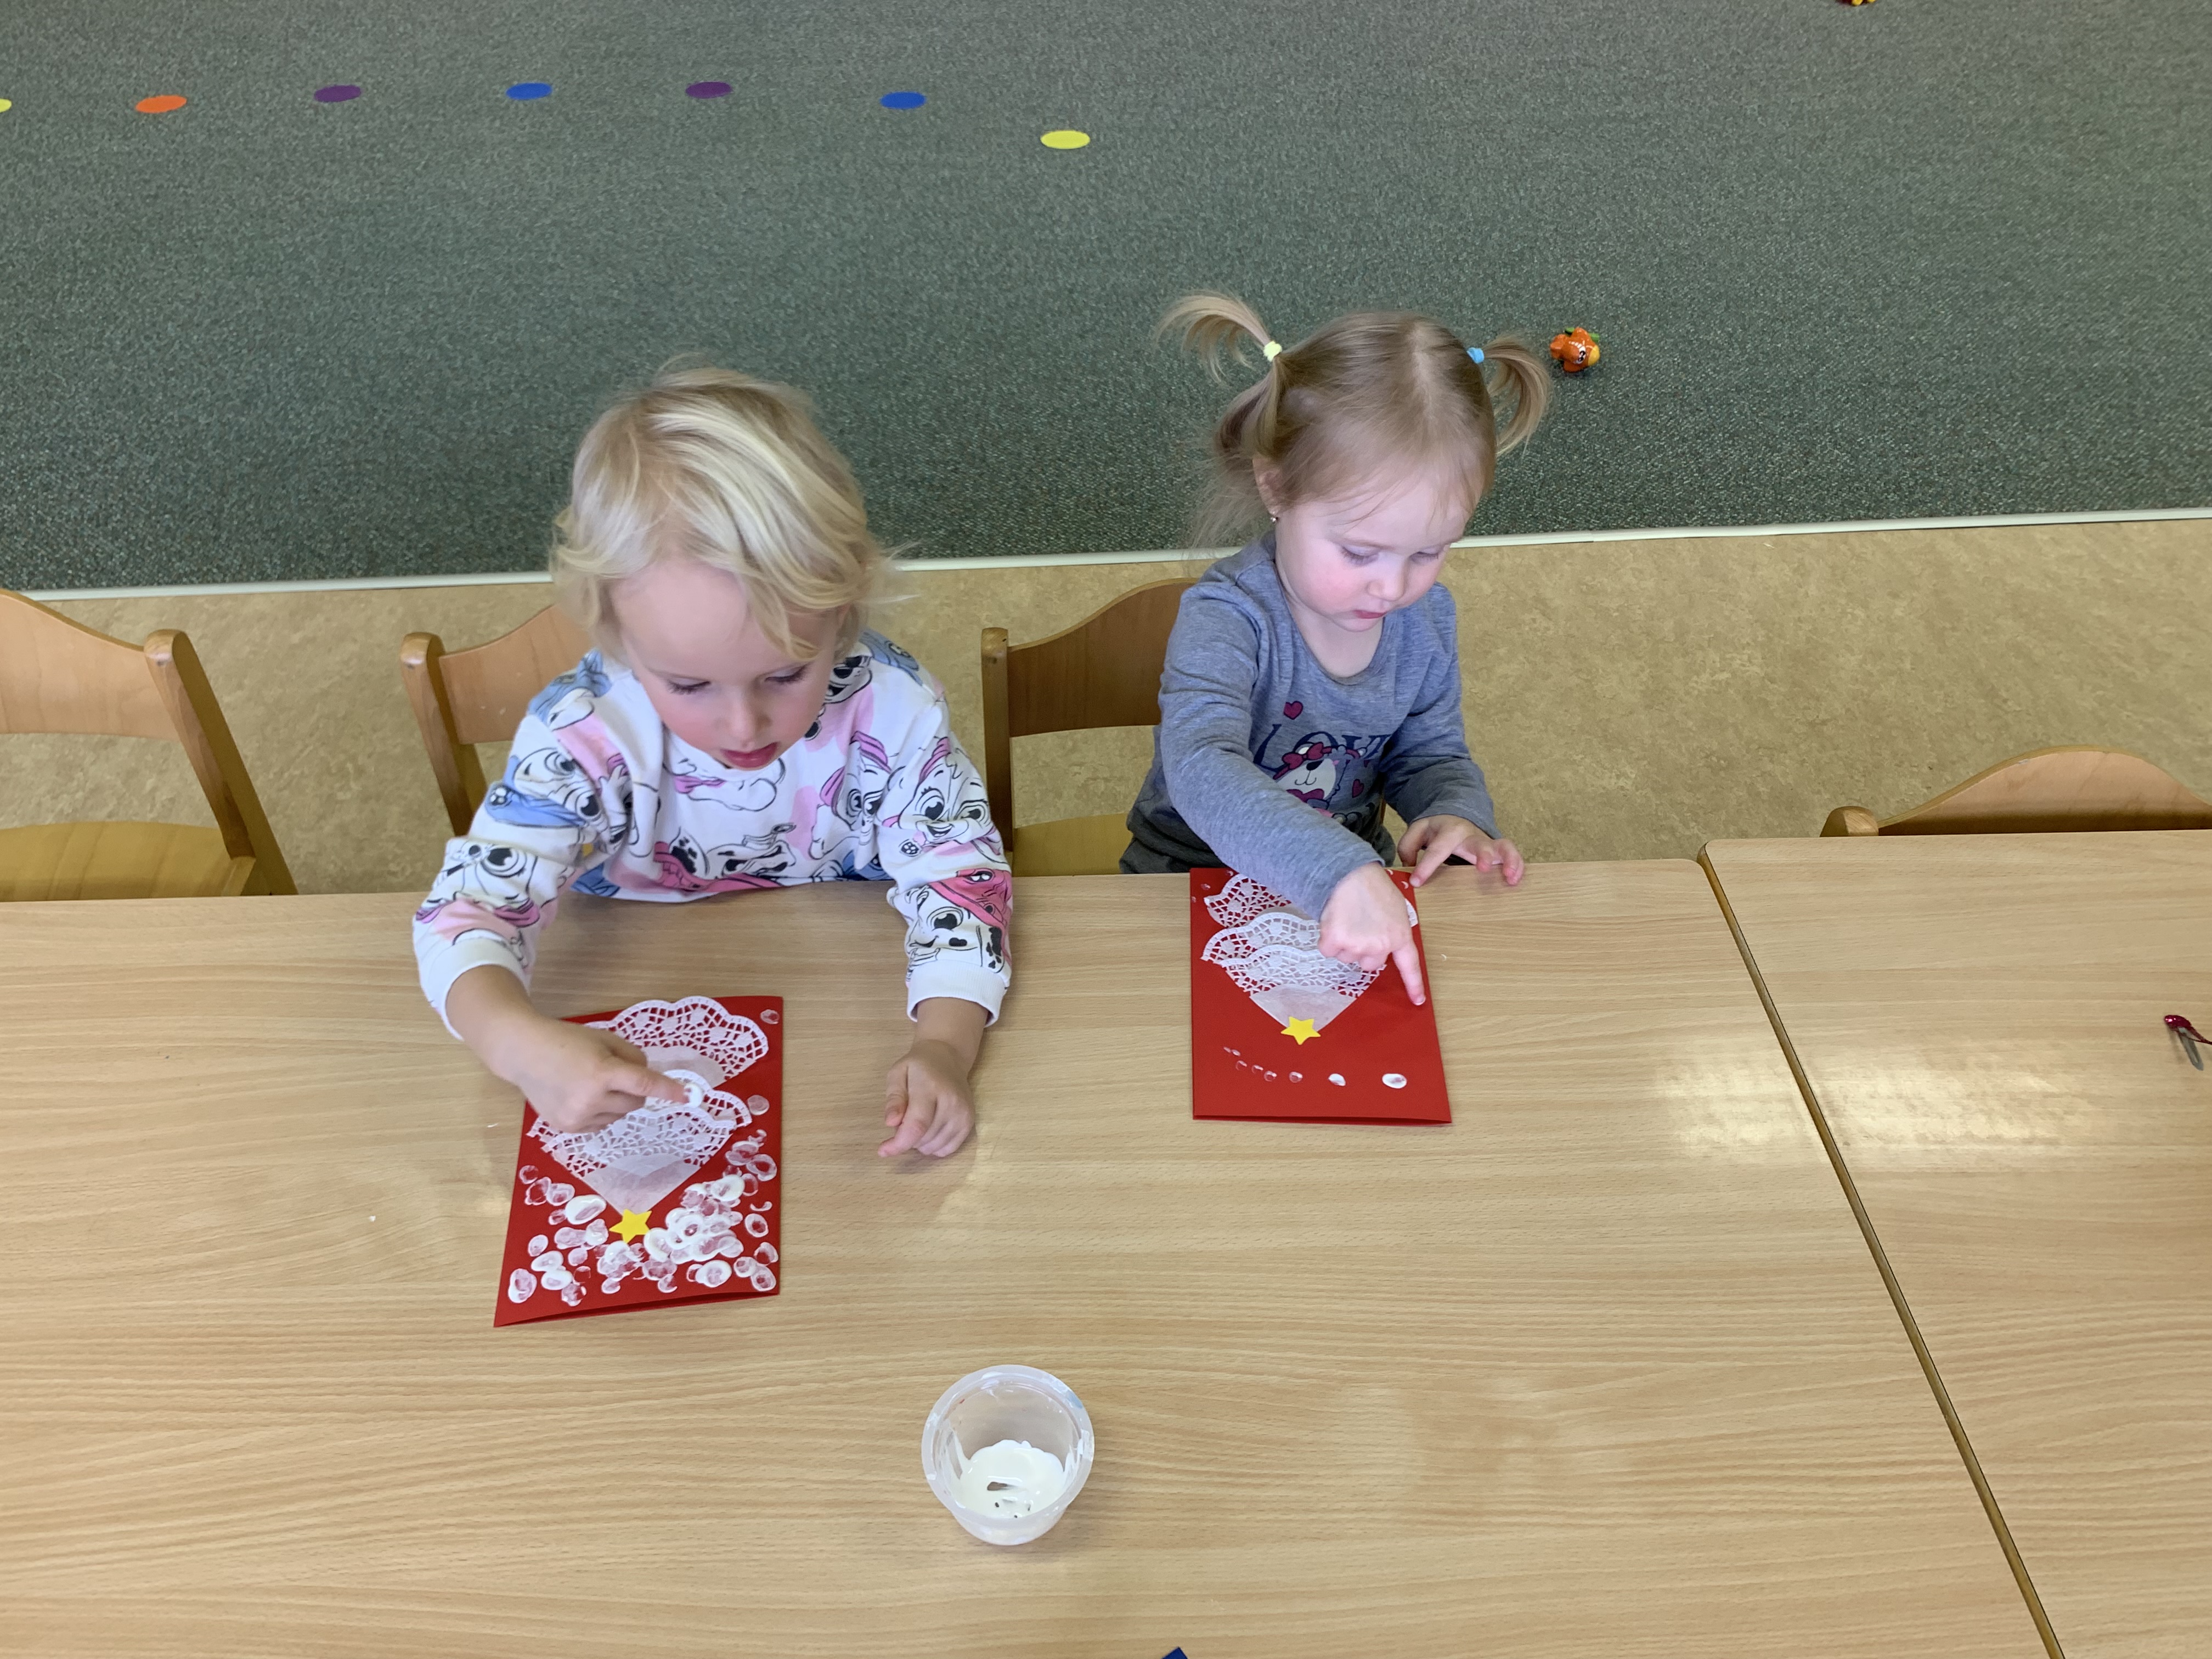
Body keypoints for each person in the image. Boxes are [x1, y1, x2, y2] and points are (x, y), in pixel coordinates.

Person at [415, 364, 1007, 1156]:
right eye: (688, 684)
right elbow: (467, 912)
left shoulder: (894, 710)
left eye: (786, 674)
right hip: (643, 967)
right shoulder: (582, 737)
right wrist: (516, 1044)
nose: (742, 724)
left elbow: (959, 879)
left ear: (843, 612)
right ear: (616, 636)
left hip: (843, 973)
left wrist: (945, 1045)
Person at [1124, 294, 1548, 1005]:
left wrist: (1455, 810)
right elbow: (1199, 767)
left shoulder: (1426, 620)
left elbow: (1431, 753)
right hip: (1186, 876)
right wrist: (1336, 872)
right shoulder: (1227, 615)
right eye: (1359, 551)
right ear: (1276, 486)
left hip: (1356, 885)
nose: (1392, 586)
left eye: (1428, 552)